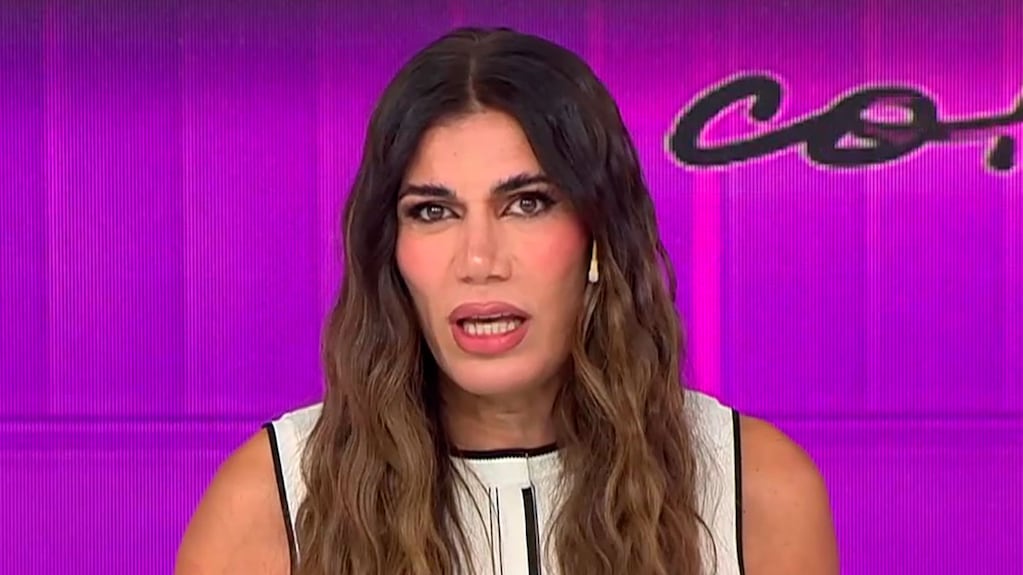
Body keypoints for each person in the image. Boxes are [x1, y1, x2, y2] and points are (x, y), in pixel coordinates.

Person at [175, 27, 839, 575]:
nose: (478, 261)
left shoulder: (755, 489)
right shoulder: (272, 503)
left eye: (526, 204)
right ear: (392, 252)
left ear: (598, 236)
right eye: (433, 211)